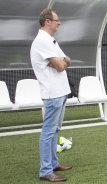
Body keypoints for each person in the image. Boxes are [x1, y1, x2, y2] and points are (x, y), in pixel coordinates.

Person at [30, 9, 72, 182]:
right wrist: (60, 62)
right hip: (52, 93)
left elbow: (66, 60)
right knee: (48, 132)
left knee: (55, 130)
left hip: (60, 91)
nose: (59, 23)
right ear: (47, 21)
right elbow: (62, 66)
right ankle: (46, 171)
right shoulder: (42, 41)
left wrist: (59, 62)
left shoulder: (50, 40)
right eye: (57, 20)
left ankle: (53, 163)